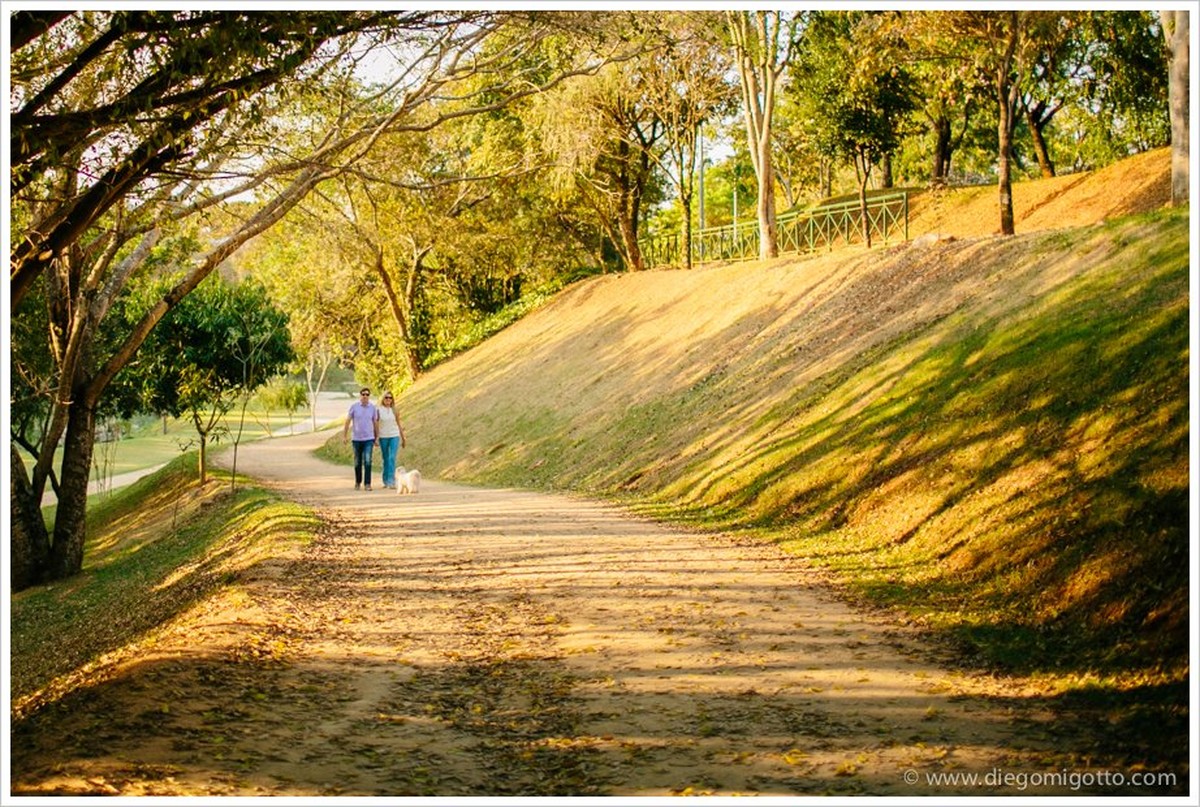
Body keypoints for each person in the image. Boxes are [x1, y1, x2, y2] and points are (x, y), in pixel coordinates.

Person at [342, 387, 379, 490]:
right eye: (363, 394)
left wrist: (377, 437)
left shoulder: (372, 408)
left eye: (367, 394)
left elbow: (375, 423)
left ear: (369, 396)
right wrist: (344, 435)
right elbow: (347, 421)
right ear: (360, 395)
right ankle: (358, 482)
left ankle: (367, 484)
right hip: (356, 439)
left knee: (368, 461)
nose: (365, 396)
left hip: (369, 439)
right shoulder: (354, 407)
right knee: (357, 462)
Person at [376, 391, 407, 489]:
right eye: (386, 397)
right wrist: (376, 437)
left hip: (394, 435)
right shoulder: (378, 410)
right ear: (383, 399)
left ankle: (391, 481)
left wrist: (403, 437)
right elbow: (376, 425)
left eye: (390, 398)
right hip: (383, 436)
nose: (388, 399)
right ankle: (385, 480)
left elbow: (399, 424)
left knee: (392, 458)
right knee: (385, 458)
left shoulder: (395, 410)